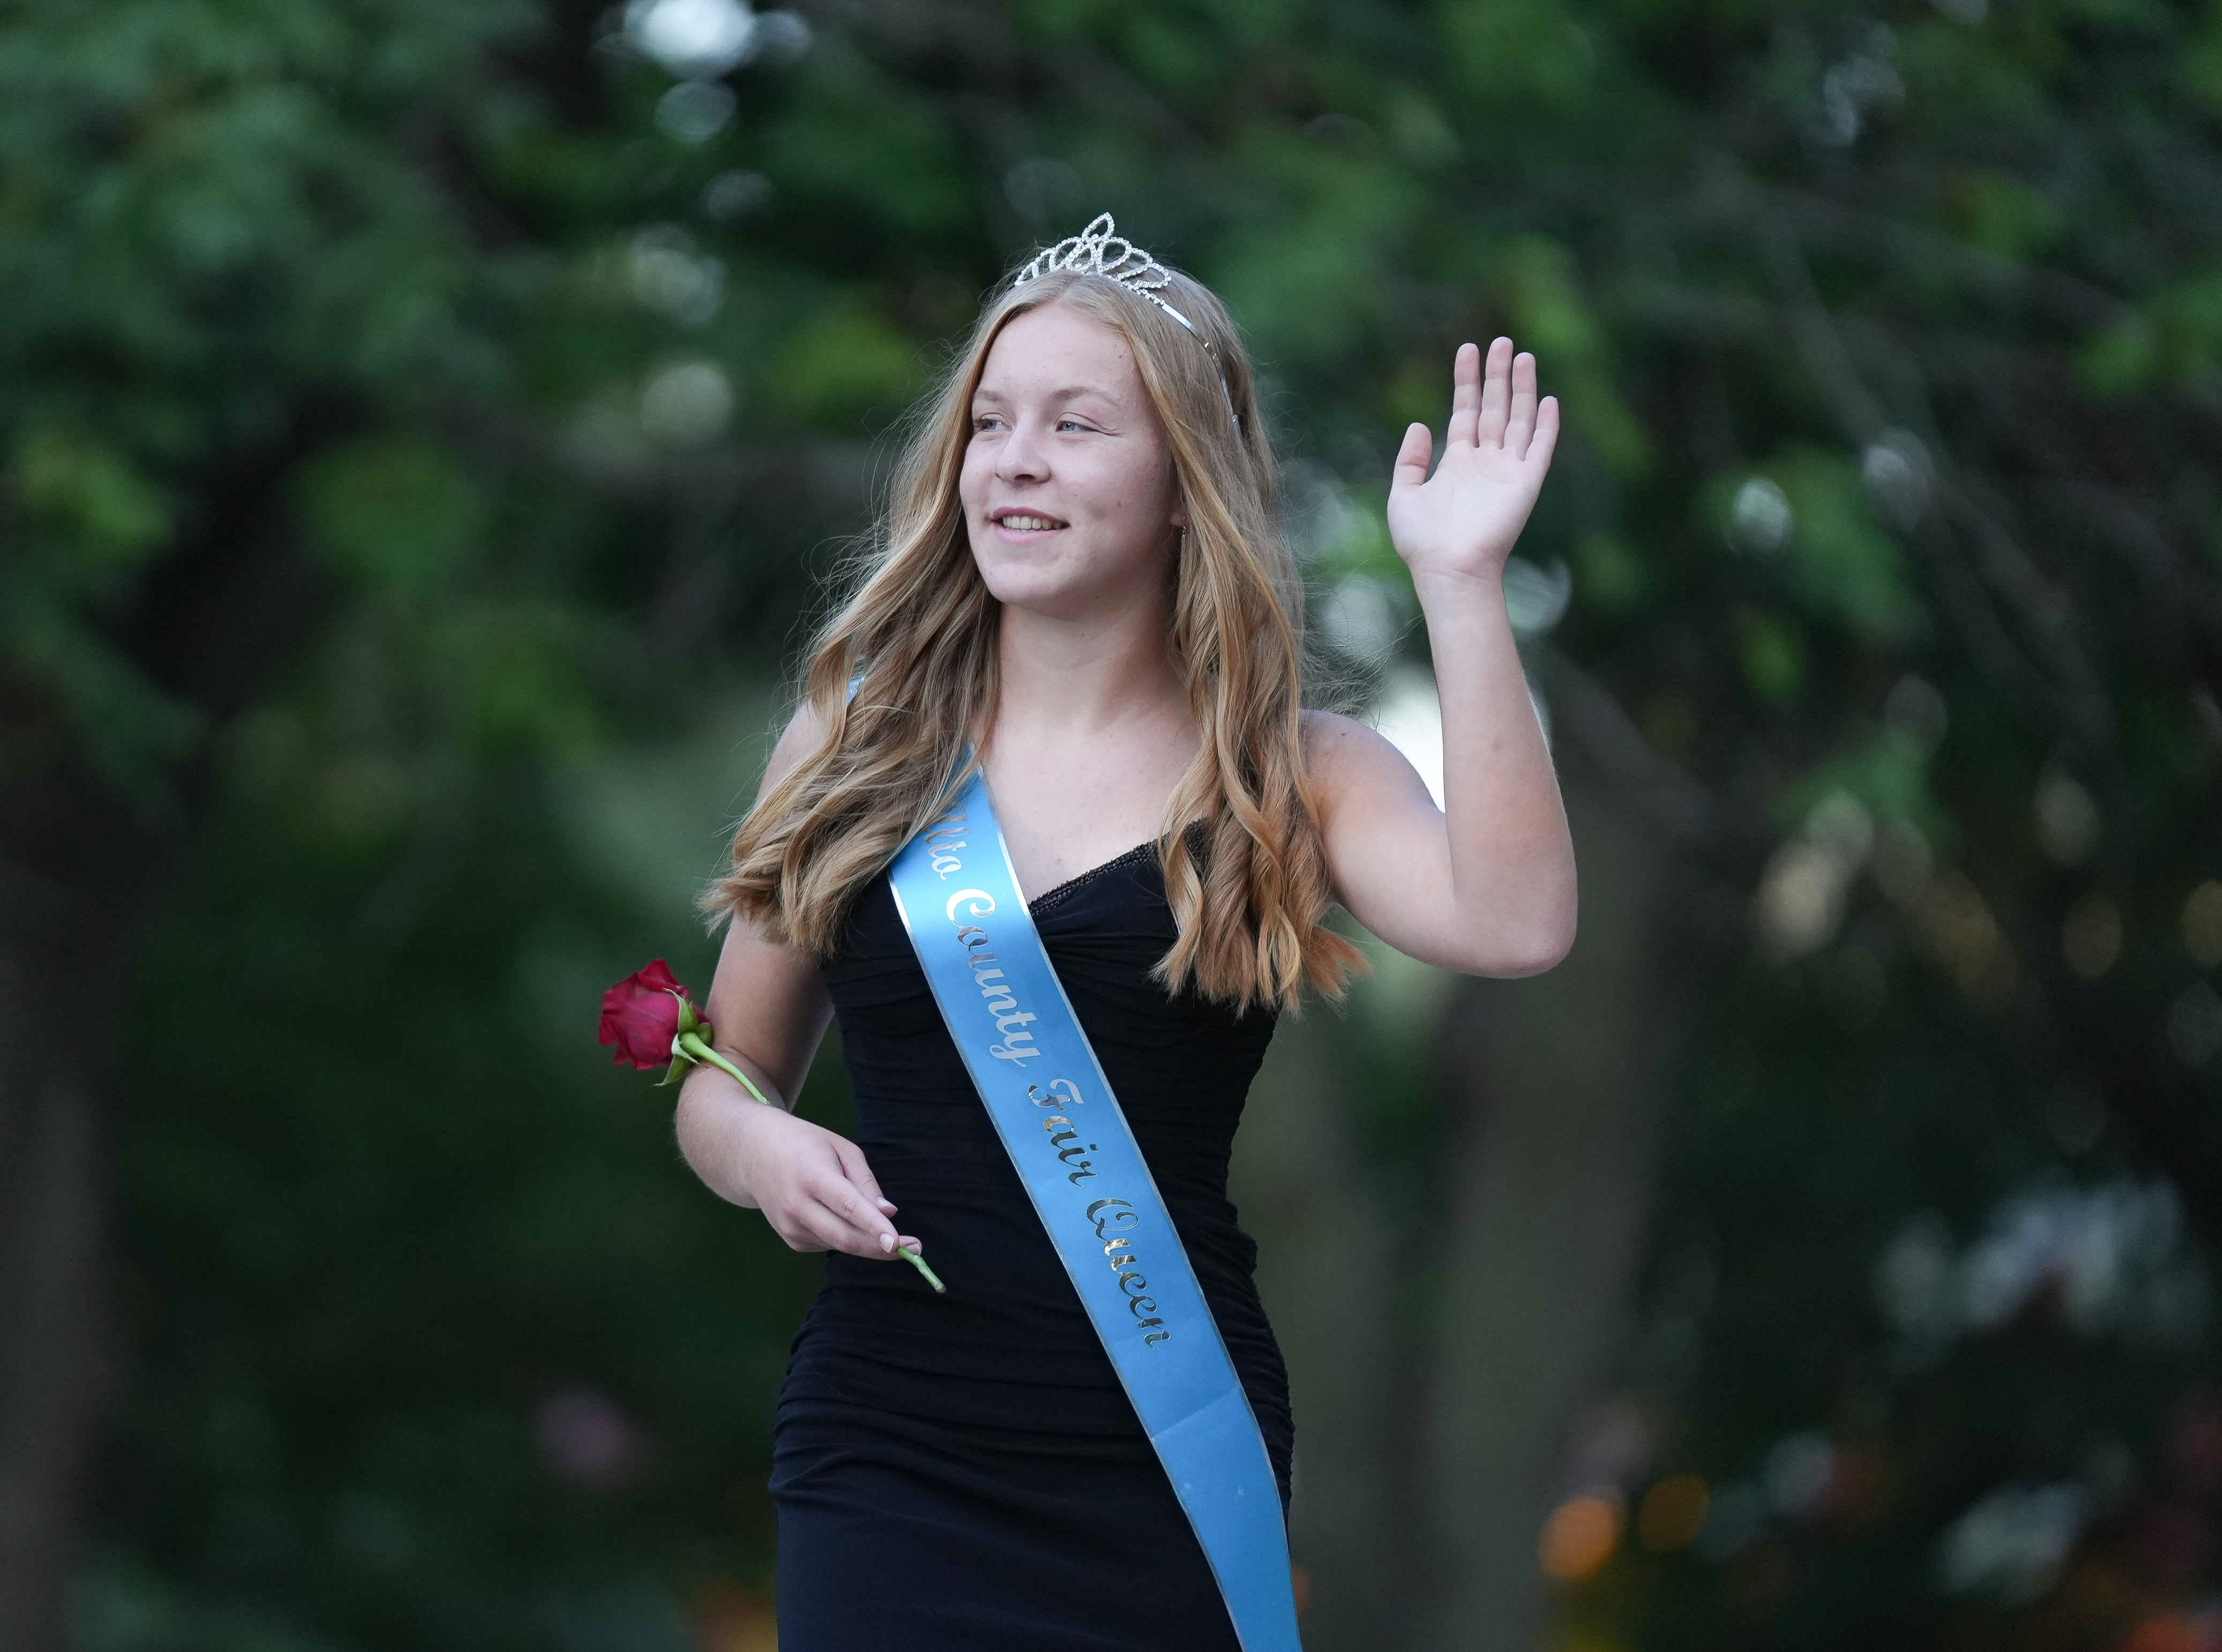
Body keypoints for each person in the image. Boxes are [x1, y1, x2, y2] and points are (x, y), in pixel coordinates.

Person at [674, 214, 1577, 1649]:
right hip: (888, 1439)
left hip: (1162, 1439)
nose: (1013, 459)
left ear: (1181, 483)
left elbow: (1516, 922)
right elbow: (725, 1076)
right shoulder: (858, 738)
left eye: (1075, 425)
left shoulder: (1294, 770)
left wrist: (1461, 586)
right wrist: (759, 1146)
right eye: (989, 422)